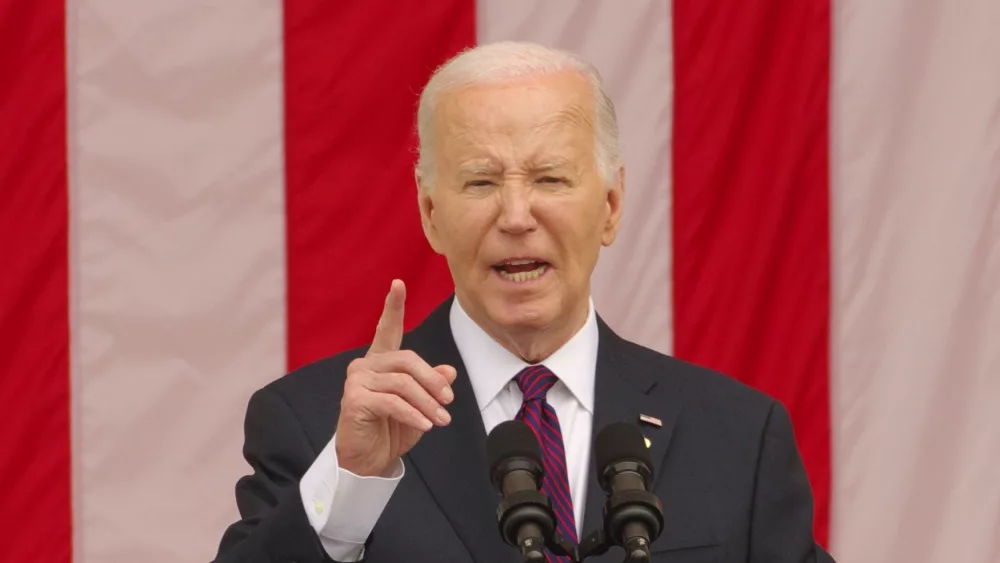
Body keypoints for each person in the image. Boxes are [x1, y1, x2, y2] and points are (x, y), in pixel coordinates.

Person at [212, 41, 835, 563]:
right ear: (431, 214)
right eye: (481, 182)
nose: (516, 216)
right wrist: (352, 481)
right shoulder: (318, 425)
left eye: (550, 179)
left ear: (611, 207)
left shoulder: (738, 436)